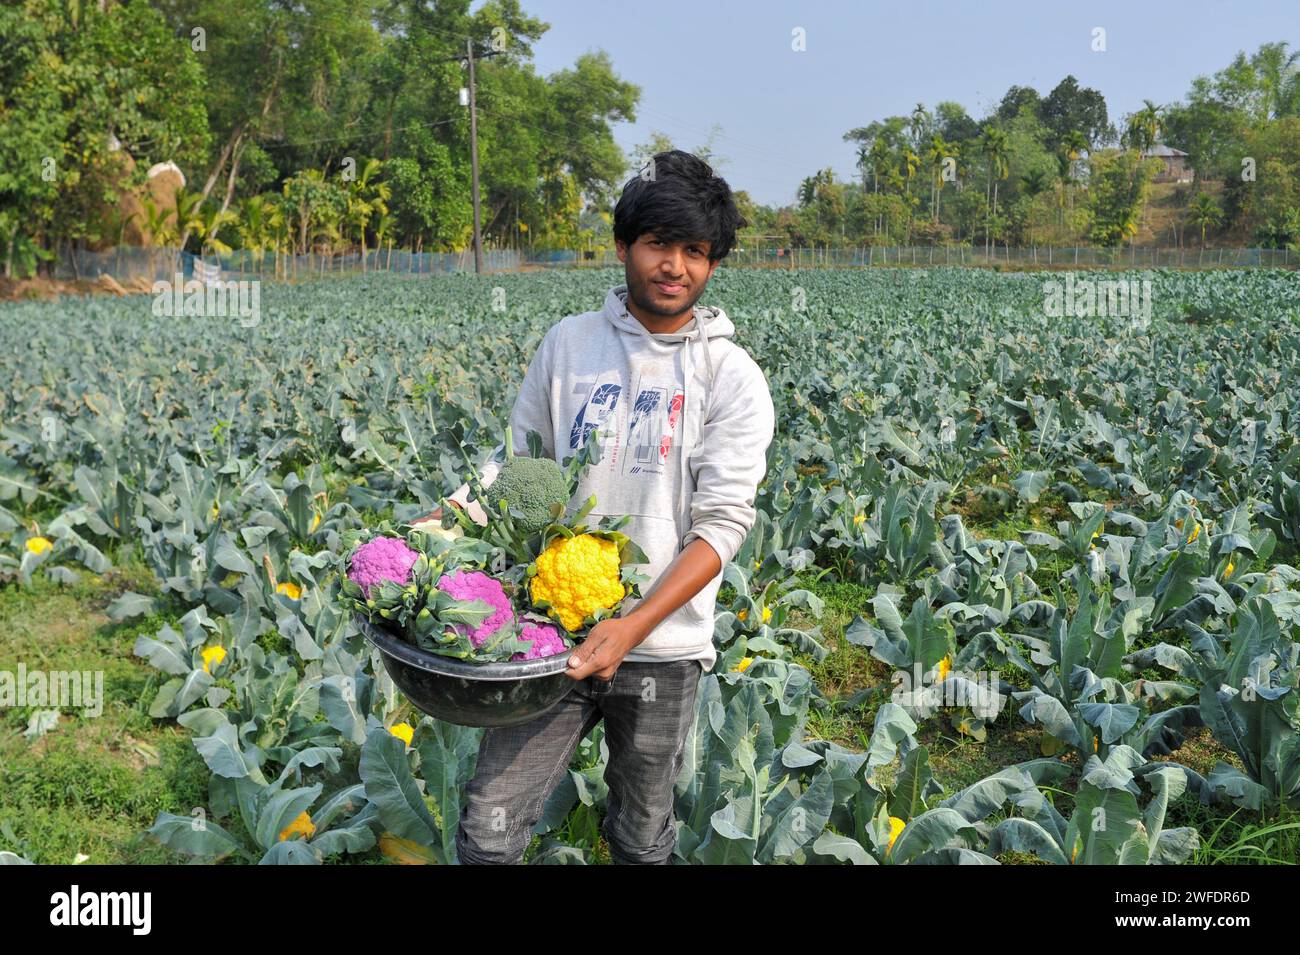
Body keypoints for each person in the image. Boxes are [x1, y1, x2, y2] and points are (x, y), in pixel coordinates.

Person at [443, 149, 775, 864]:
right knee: (489, 827)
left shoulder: (732, 376)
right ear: (624, 246)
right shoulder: (569, 344)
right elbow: (517, 465)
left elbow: (721, 526)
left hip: (662, 646)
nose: (675, 266)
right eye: (659, 243)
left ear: (713, 263)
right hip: (548, 637)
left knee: (640, 831)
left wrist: (631, 627)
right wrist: (447, 519)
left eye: (696, 251)